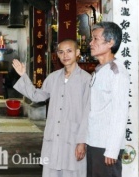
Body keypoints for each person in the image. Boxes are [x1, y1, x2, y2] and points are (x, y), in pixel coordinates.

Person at [12, 39, 91, 177]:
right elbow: (37, 96)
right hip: (54, 137)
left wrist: (82, 142)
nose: (65, 55)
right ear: (57, 55)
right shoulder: (53, 78)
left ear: (77, 53)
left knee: (73, 172)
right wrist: (23, 75)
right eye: (61, 52)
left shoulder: (86, 80)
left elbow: (87, 113)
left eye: (69, 51)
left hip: (73, 139)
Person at [86, 22, 130, 177]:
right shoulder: (100, 70)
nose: (91, 43)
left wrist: (112, 149)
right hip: (93, 142)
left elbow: (120, 113)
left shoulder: (116, 72)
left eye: (95, 39)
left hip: (106, 147)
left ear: (110, 42)